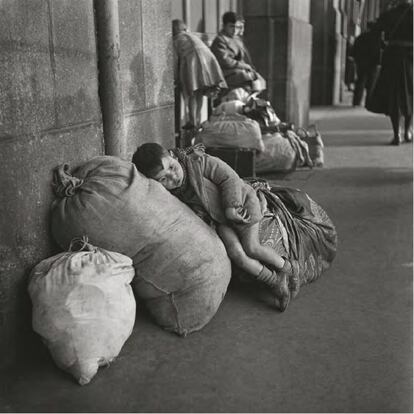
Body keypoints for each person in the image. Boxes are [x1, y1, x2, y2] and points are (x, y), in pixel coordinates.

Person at [132, 143, 293, 311]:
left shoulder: (198, 162)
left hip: (243, 205)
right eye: (163, 179)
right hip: (220, 221)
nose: (173, 177)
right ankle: (274, 281)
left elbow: (229, 177)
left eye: (172, 167)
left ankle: (288, 269)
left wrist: (232, 206)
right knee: (237, 254)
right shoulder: (170, 196)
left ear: (173, 155)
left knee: (251, 247)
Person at [366, 0, 413, 145]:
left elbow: (374, 32)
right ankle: (408, 131)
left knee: (394, 95)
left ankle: (396, 134)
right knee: (410, 94)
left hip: (392, 57)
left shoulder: (390, 14)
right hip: (411, 57)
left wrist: (383, 46)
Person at [172, 19, 227, 132]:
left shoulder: (176, 40)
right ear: (185, 28)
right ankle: (197, 119)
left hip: (192, 62)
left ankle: (192, 121)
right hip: (208, 60)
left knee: (191, 93)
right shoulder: (193, 36)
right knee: (200, 93)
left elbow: (175, 60)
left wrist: (176, 79)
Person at [211, 11, 266, 93]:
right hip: (225, 73)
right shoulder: (220, 40)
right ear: (224, 26)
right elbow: (225, 61)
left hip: (236, 71)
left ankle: (248, 100)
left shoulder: (236, 39)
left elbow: (244, 57)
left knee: (257, 78)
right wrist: (243, 66)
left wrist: (248, 67)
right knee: (246, 78)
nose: (234, 30)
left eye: (236, 27)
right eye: (231, 26)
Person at [352, 23, 383, 106]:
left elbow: (355, 49)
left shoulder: (360, 37)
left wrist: (356, 59)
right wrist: (378, 62)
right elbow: (378, 51)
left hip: (361, 62)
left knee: (360, 82)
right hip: (372, 64)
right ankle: (368, 102)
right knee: (371, 84)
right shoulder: (376, 38)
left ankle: (356, 101)